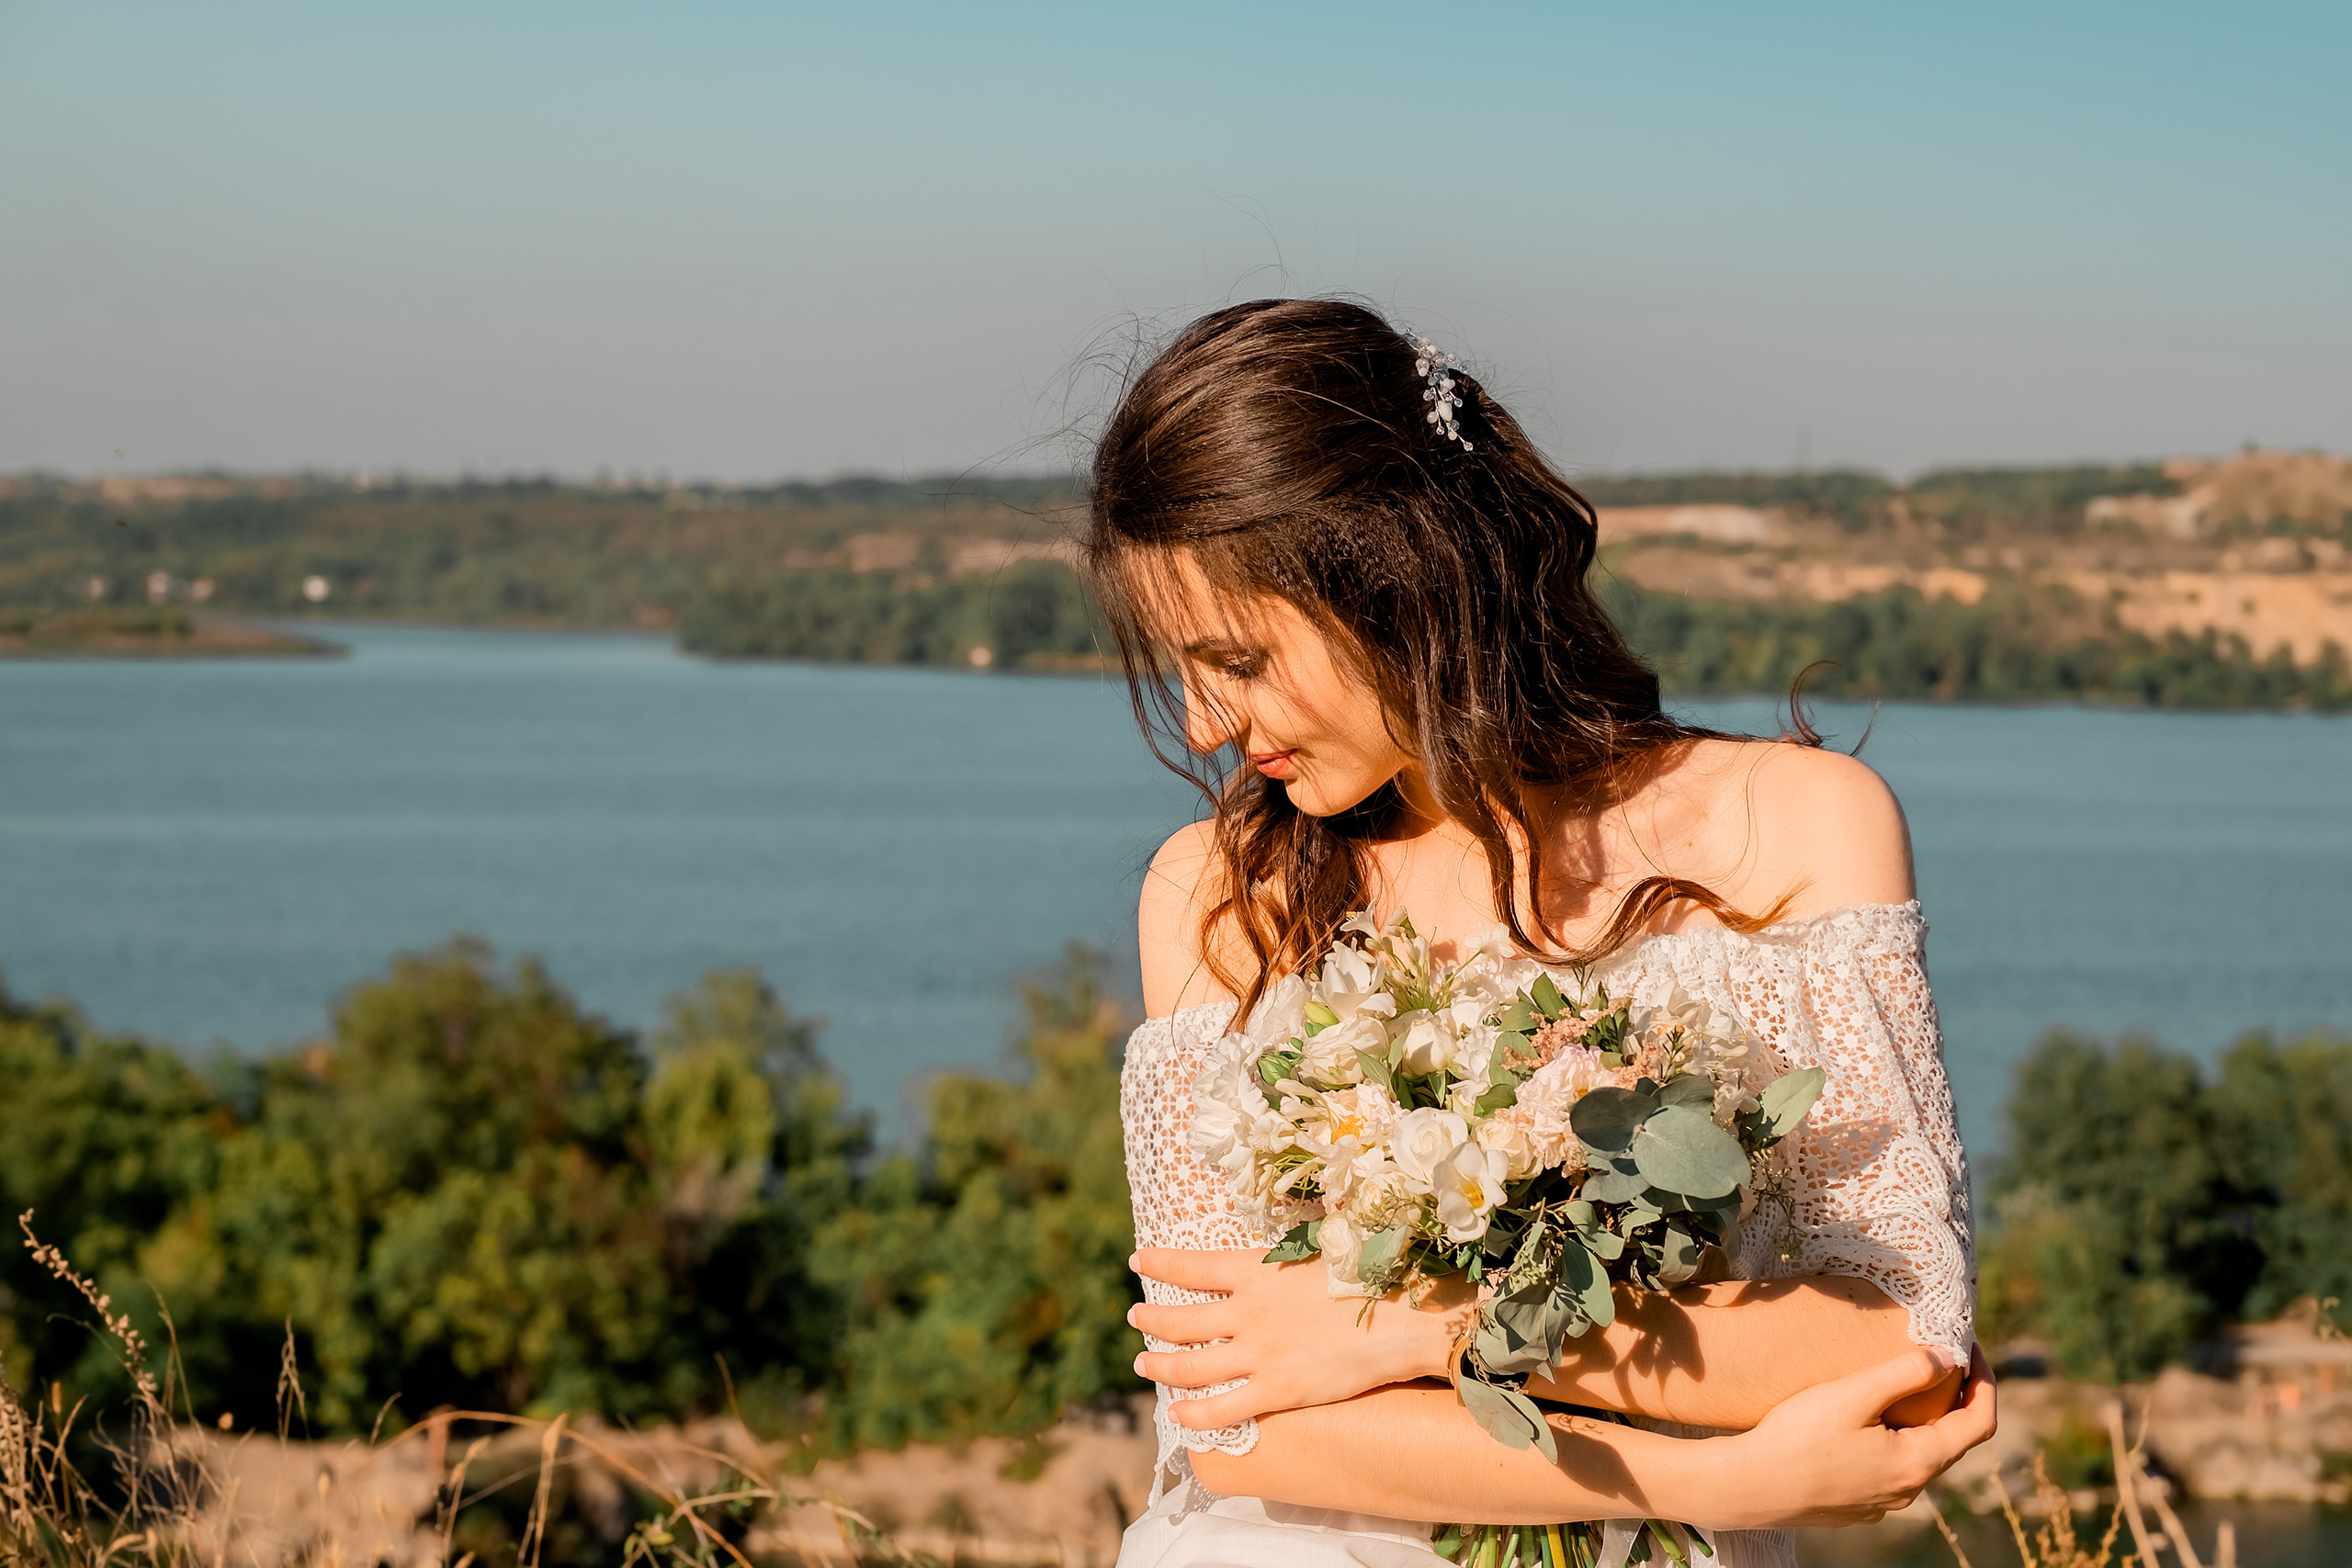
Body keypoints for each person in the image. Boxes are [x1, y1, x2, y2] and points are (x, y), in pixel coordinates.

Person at [1080, 299, 1995, 1568]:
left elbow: (1900, 1343)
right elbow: (1242, 1433)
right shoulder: (1222, 896)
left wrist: (1426, 1327)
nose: (1202, 728)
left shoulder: (1790, 829)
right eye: (1180, 673)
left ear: (1395, 575)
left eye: (1234, 661)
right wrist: (1716, 1475)